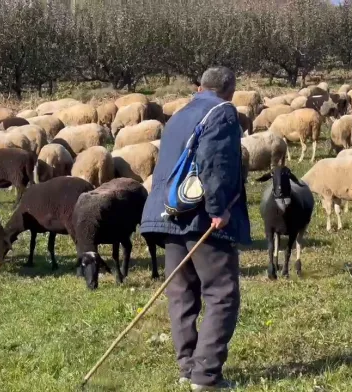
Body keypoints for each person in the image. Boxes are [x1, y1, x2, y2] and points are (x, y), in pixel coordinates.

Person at [140, 66, 250, 391]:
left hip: (167, 213)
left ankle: (188, 368)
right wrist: (217, 209)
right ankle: (206, 376)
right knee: (221, 293)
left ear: (200, 86)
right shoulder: (223, 112)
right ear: (230, 89)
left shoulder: (179, 114)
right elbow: (215, 161)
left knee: (181, 293)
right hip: (200, 216)